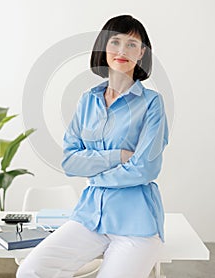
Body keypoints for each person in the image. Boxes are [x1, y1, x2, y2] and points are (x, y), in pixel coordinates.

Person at [17, 14, 169, 278]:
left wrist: (94, 173)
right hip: (89, 217)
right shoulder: (88, 100)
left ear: (142, 53)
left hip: (136, 224)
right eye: (115, 42)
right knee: (31, 270)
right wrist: (119, 155)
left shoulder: (152, 104)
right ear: (104, 48)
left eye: (132, 44)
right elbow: (70, 161)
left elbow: (145, 168)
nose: (122, 50)